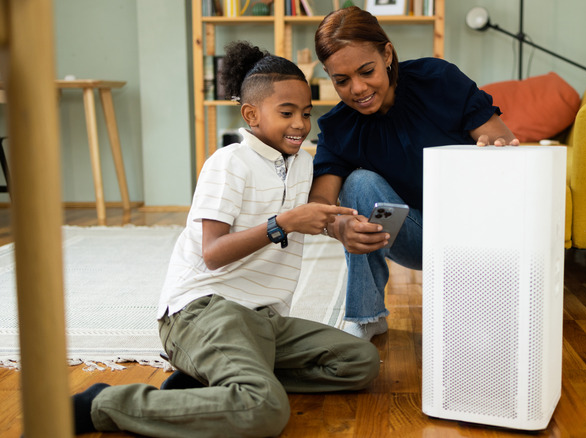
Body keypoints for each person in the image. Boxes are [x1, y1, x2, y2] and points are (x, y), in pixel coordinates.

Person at [69, 41, 380, 438]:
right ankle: (104, 403)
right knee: (263, 409)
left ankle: (209, 387)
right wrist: (282, 222)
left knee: (359, 362)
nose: (301, 124)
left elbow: (309, 219)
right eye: (286, 113)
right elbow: (213, 254)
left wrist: (343, 230)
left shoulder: (304, 163)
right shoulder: (228, 163)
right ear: (251, 114)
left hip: (264, 319)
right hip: (205, 310)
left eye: (306, 113)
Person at [309, 6, 520, 340]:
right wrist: (339, 226)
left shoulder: (438, 80)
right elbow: (319, 204)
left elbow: (504, 145)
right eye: (342, 80)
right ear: (327, 74)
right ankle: (367, 317)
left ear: (387, 53)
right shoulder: (339, 127)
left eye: (367, 71)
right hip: (415, 236)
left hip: (474, 231)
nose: (358, 88)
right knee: (359, 183)